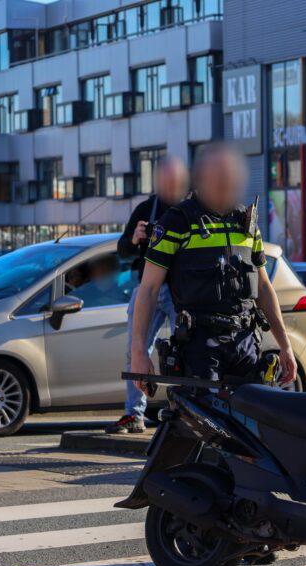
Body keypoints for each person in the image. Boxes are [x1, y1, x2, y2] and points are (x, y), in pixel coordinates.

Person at [130, 142, 297, 389]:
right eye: (218, 178)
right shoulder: (177, 222)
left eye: (230, 179)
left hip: (245, 345)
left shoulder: (246, 223)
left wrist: (285, 346)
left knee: (252, 413)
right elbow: (149, 289)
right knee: (201, 413)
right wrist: (138, 354)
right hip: (200, 348)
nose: (225, 185)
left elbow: (263, 287)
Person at [108, 156, 189, 434]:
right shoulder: (145, 209)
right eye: (165, 180)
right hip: (147, 289)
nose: (170, 185)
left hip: (181, 291)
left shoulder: (191, 209)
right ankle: (134, 415)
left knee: (187, 352)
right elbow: (122, 250)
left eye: (175, 180)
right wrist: (135, 239)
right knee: (136, 349)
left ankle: (189, 412)